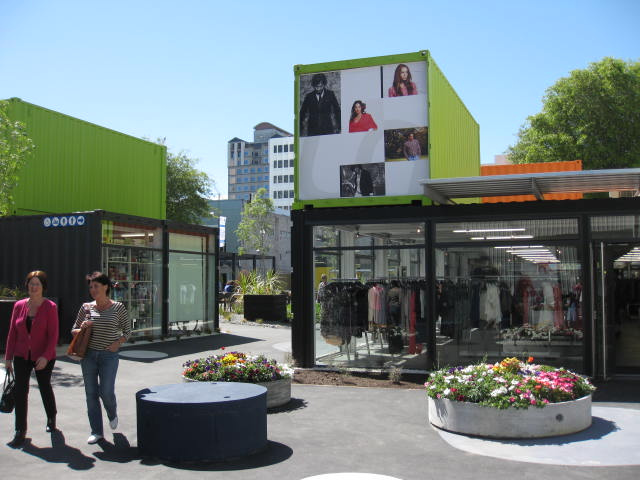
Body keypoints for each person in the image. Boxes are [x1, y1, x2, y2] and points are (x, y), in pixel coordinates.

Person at [72, 271, 130, 444]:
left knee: (106, 391)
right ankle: (96, 431)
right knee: (91, 394)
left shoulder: (118, 307)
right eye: (91, 287)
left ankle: (112, 413)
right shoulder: (86, 308)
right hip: (88, 355)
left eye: (96, 286)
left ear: (106, 287)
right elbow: (74, 330)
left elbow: (128, 331)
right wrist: (81, 328)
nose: (93, 290)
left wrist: (117, 343)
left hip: (109, 356)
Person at [4, 271, 59, 448]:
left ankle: (51, 416)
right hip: (21, 355)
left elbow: (53, 336)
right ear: (27, 285)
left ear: (43, 287)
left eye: (37, 284)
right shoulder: (19, 305)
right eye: (31, 284)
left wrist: (45, 355)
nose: (34, 287)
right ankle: (20, 430)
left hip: (43, 356)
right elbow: (12, 332)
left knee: (44, 386)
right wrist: (8, 358)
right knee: (21, 392)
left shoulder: (50, 307)